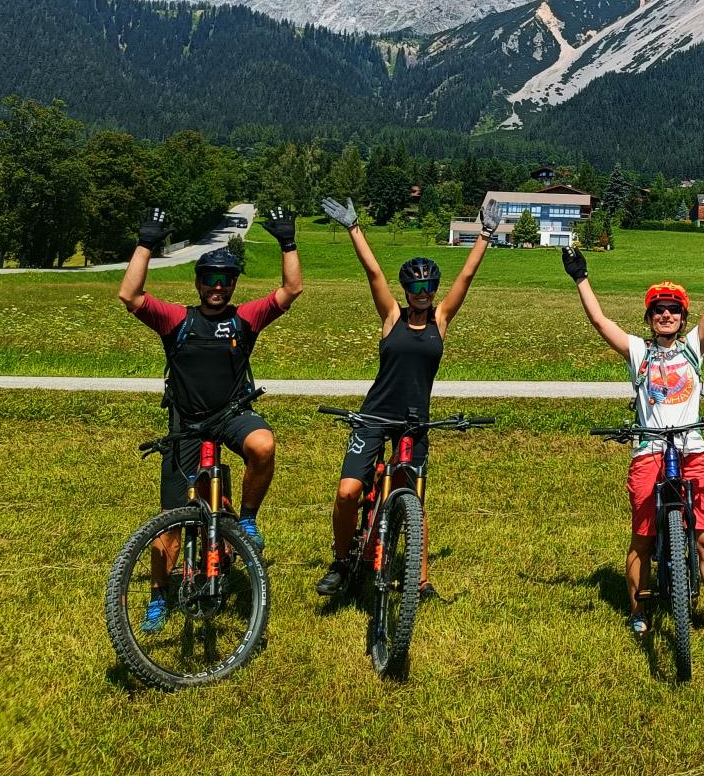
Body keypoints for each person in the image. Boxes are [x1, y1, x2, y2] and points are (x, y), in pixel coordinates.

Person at [117, 204, 303, 632]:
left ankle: (249, 519)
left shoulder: (245, 320)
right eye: (209, 280)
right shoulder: (178, 320)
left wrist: (288, 242)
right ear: (198, 283)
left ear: (234, 284)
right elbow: (130, 296)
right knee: (171, 521)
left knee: (264, 445)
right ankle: (159, 596)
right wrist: (145, 243)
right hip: (186, 425)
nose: (217, 287)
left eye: (225, 280)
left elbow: (291, 290)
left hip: (232, 415)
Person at [562, 224, 704, 644]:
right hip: (648, 450)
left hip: (691, 448)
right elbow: (598, 320)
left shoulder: (692, 348)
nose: (667, 315)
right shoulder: (638, 352)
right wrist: (581, 277)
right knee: (643, 537)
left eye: (674, 310)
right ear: (648, 318)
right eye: (658, 309)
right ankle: (638, 609)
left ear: (683, 318)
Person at [313, 196, 499, 598]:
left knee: (411, 497)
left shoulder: (441, 319)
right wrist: (353, 227)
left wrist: (485, 234)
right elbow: (373, 272)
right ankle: (342, 560)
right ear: (406, 290)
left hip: (417, 420)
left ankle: (419, 577)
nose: (422, 292)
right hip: (375, 416)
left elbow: (465, 278)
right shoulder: (391, 317)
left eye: (428, 286)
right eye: (415, 286)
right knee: (348, 492)